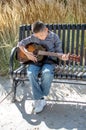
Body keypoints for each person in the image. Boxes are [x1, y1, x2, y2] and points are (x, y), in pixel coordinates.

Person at [18, 21, 69, 113]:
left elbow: (59, 52)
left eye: (42, 35)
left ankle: (39, 98)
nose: (40, 38)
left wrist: (63, 57)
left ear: (46, 29)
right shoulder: (34, 37)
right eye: (38, 36)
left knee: (47, 73)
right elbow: (20, 44)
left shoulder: (54, 37)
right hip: (36, 60)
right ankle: (41, 99)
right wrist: (27, 53)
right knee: (31, 72)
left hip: (49, 61)